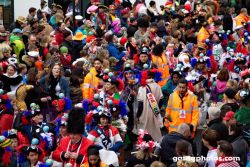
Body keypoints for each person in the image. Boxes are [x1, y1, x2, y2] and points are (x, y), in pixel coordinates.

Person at [133, 69, 163, 142]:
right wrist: (156, 110)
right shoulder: (157, 86)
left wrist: (137, 116)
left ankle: (144, 151)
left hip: (144, 114)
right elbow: (161, 100)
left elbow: (140, 105)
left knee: (143, 135)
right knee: (155, 134)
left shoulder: (142, 88)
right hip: (154, 113)